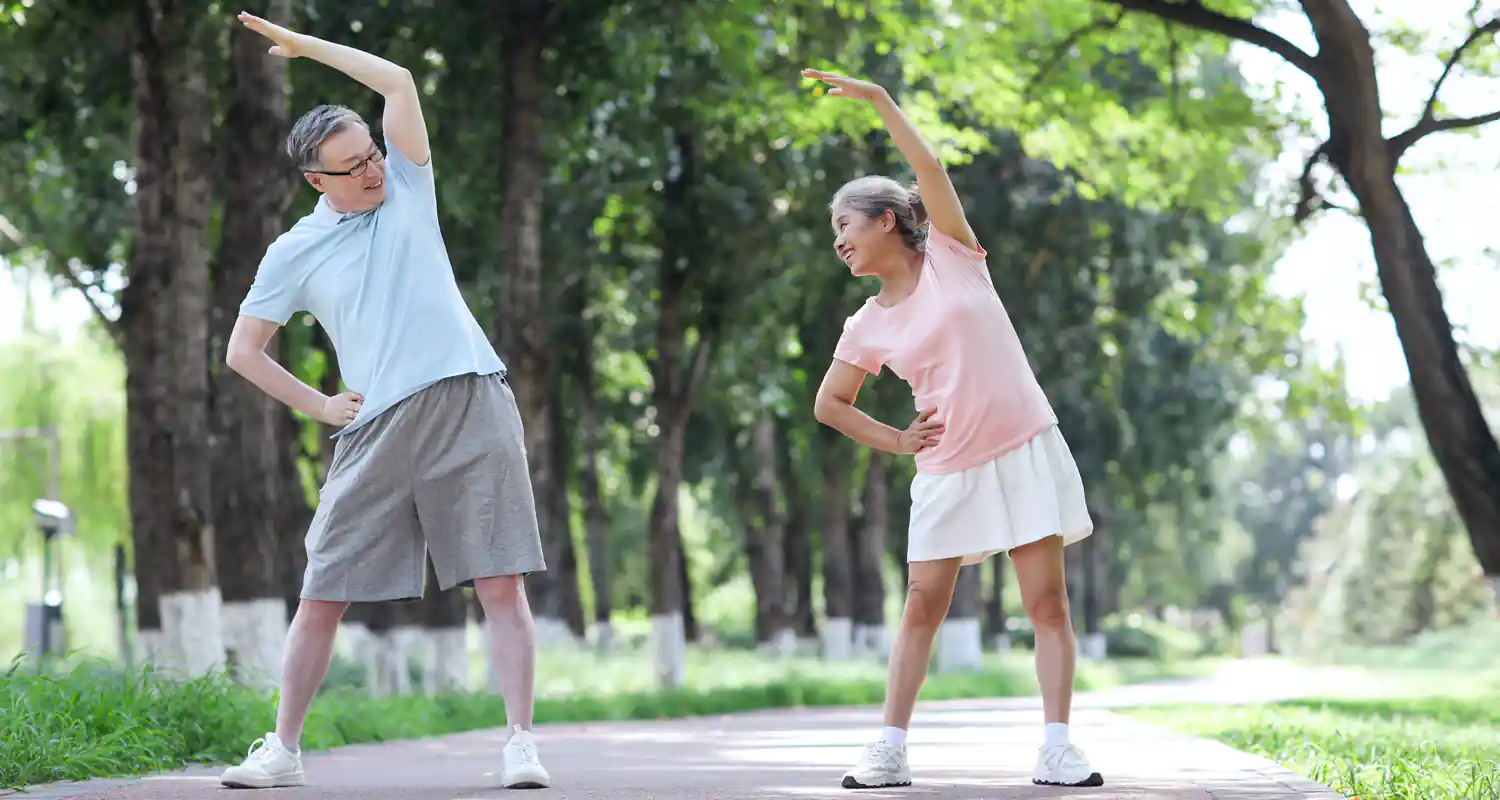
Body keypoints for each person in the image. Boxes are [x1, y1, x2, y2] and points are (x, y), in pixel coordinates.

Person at [218, 12, 550, 791]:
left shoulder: (406, 184)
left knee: (501, 583)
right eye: (351, 167)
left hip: (471, 399)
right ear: (315, 181)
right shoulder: (294, 250)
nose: (370, 172)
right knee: (322, 589)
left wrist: (306, 50)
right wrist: (321, 405)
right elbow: (242, 352)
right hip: (374, 427)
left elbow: (397, 81)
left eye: (370, 155)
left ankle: (521, 743)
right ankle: (284, 750)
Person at [803, 68, 1104, 791]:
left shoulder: (952, 256)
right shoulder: (866, 323)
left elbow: (928, 167)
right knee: (921, 607)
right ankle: (889, 749)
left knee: (1048, 605)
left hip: (1024, 446)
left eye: (843, 225)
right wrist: (898, 440)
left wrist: (879, 102)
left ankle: (1057, 746)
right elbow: (830, 404)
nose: (837, 241)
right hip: (948, 469)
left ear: (884, 220)